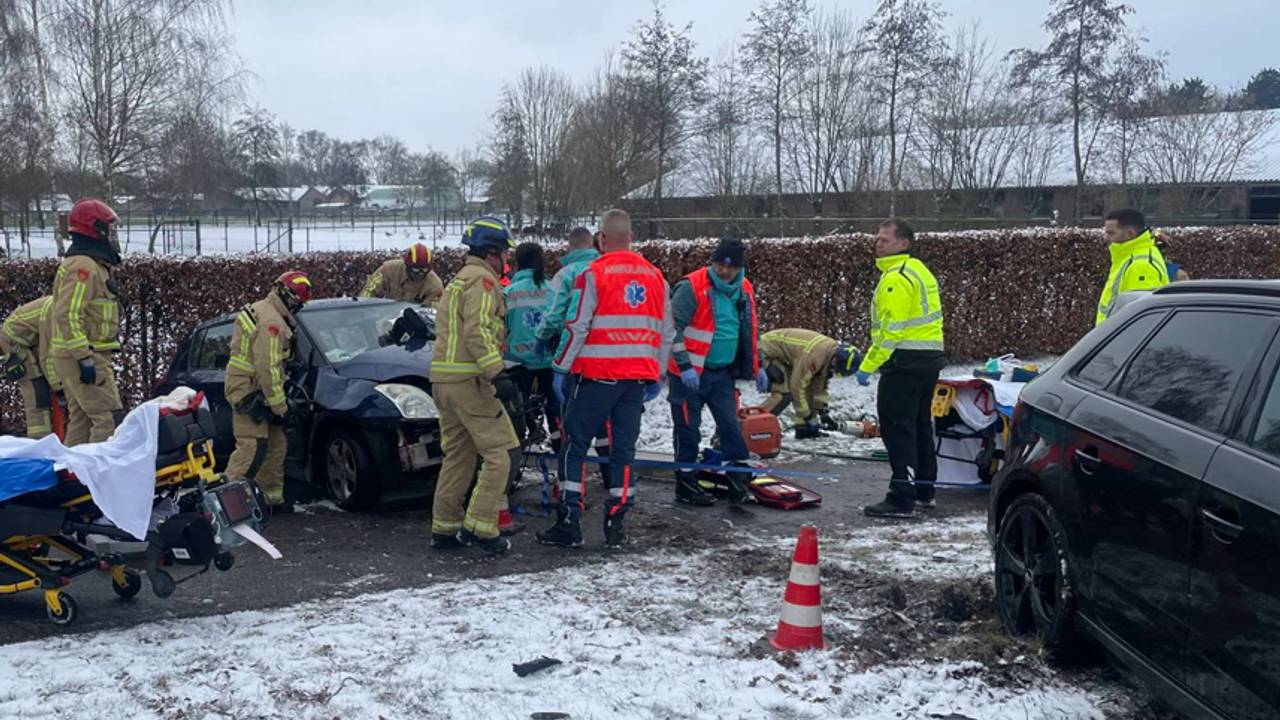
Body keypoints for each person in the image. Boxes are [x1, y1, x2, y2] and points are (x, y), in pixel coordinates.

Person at [537, 209, 673, 550]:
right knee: (623, 452)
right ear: (631, 238)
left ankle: (570, 522)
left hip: (596, 377)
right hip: (635, 382)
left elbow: (577, 325)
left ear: (601, 238)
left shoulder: (593, 274)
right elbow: (666, 332)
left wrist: (560, 367)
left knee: (574, 446)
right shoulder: (656, 277)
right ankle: (616, 525)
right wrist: (656, 372)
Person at [429, 217, 520, 557]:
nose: (507, 261)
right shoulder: (482, 281)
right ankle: (480, 527)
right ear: (492, 252)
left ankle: (445, 527)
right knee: (500, 454)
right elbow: (478, 330)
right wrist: (497, 373)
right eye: (505, 254)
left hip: (444, 382)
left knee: (458, 457)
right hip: (471, 381)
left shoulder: (457, 280)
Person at [858, 219, 945, 519]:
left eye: (885, 240)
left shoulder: (896, 278)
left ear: (904, 244)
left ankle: (901, 496)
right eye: (878, 239)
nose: (878, 244)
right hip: (928, 361)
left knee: (897, 429)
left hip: (903, 364)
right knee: (920, 426)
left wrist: (868, 366)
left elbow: (891, 332)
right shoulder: (920, 271)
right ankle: (924, 490)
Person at [666, 238, 762, 506]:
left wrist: (759, 363)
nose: (724, 272)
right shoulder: (692, 287)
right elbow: (673, 329)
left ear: (739, 268)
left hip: (722, 374)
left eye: (730, 267)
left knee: (730, 428)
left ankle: (737, 483)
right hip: (690, 375)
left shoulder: (744, 289)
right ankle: (685, 485)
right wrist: (684, 366)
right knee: (688, 430)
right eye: (719, 265)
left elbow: (749, 329)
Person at [224, 271, 312, 513]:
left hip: (256, 387)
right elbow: (267, 367)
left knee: (275, 445)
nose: (297, 307)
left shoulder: (269, 311)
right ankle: (223, 506)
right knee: (251, 448)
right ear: (284, 294)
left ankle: (271, 500)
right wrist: (280, 407)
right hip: (248, 389)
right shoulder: (271, 322)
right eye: (296, 302)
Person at [534, 227, 611, 489]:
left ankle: (571, 487)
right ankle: (611, 476)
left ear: (570, 247)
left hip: (573, 357)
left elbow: (554, 316)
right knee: (604, 420)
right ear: (592, 244)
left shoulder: (565, 275)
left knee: (573, 420)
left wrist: (542, 338)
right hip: (608, 359)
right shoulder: (607, 270)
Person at [49, 198, 124, 446]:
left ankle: (70, 479)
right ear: (96, 229)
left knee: (82, 421)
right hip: (84, 357)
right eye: (109, 228)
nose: (112, 235)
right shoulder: (84, 266)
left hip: (77, 356)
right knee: (108, 419)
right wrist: (83, 357)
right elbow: (67, 313)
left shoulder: (90, 263)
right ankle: (100, 479)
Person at [758, 328, 860, 439]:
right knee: (785, 393)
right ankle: (755, 426)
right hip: (765, 353)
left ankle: (804, 429)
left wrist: (823, 412)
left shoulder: (829, 353)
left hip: (785, 358)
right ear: (836, 361)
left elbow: (819, 385)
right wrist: (807, 417)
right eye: (836, 369)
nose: (834, 371)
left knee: (807, 389)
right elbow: (796, 387)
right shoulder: (814, 357)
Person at [504, 242, 557, 448]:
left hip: (519, 363)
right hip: (548, 359)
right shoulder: (552, 288)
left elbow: (503, 327)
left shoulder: (509, 292)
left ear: (517, 263)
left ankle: (525, 440)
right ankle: (559, 449)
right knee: (555, 409)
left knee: (519, 410)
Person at [1096, 208, 1169, 326]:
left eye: (1111, 233)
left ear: (1130, 233)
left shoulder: (1140, 265)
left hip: (1121, 340)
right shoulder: (1132, 256)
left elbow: (1141, 322)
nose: (1106, 238)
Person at [0, 296, 58, 438]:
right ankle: (38, 442)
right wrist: (58, 386)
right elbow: (48, 355)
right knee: (37, 391)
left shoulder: (64, 307)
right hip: (14, 342)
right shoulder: (54, 312)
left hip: (31, 340)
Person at [360, 243, 444, 306]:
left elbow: (433, 313)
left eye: (424, 270)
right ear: (407, 265)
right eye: (415, 270)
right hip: (385, 315)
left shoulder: (435, 286)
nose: (420, 274)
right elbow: (368, 292)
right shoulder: (387, 269)